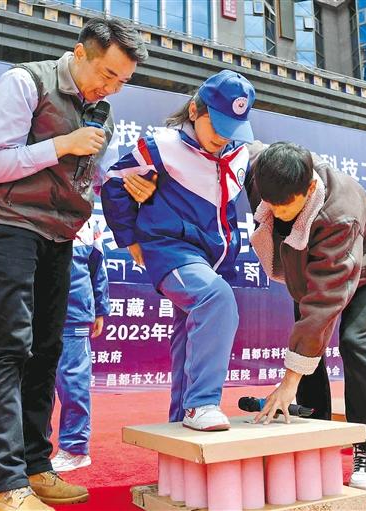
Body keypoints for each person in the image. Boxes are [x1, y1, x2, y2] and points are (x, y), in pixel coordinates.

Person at [0, 18, 149, 511]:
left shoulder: (101, 113)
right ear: (80, 52)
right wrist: (62, 145)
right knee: (11, 346)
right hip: (8, 224)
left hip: (59, 235)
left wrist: (126, 183)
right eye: (107, 75)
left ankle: (36, 466)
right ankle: (6, 486)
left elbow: (87, 179)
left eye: (122, 82)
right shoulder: (25, 82)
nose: (111, 88)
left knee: (47, 349)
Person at [102, 70, 256, 432]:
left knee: (190, 335)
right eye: (217, 125)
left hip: (213, 259)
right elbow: (114, 183)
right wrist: (131, 240)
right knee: (216, 299)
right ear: (194, 110)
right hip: (170, 249)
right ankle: (202, 404)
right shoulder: (161, 146)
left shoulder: (240, 153)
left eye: (232, 128)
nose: (222, 137)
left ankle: (181, 422)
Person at [245, 142, 366, 493]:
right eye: (271, 205)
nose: (277, 213)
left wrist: (288, 383)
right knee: (308, 350)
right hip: (310, 271)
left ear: (310, 188)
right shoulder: (264, 173)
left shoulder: (339, 214)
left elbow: (323, 306)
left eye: (286, 207)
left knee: (353, 344)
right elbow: (237, 148)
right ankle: (317, 437)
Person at [50, 220, 110, 473]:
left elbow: (98, 267)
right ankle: (34, 448)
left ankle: (75, 449)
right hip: (38, 314)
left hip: (74, 314)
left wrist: (100, 308)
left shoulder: (87, 223)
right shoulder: (34, 211)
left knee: (72, 383)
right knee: (36, 384)